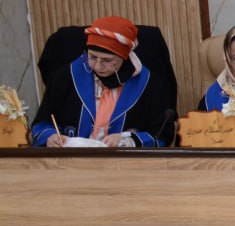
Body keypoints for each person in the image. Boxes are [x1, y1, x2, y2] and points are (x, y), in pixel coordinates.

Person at [31, 16, 169, 147]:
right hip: (71, 159)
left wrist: (128, 140)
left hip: (124, 161)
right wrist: (50, 136)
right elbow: (43, 123)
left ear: (124, 56)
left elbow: (161, 134)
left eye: (107, 60)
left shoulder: (149, 83)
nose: (97, 66)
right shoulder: (67, 76)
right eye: (92, 57)